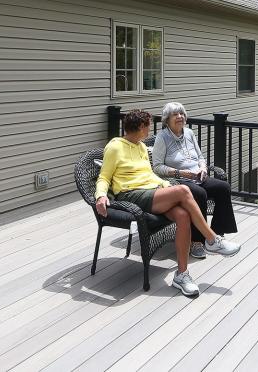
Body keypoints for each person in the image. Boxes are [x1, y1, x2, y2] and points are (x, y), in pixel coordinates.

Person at [95, 109, 241, 297]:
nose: (149, 131)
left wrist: (164, 185)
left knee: (182, 215)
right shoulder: (115, 147)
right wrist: (100, 196)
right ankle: (212, 240)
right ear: (140, 127)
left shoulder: (139, 146)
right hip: (131, 194)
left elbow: (148, 174)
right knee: (184, 190)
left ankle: (182, 275)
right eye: (147, 126)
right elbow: (104, 177)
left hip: (152, 191)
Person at [152, 102, 238, 260]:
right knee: (200, 194)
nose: (180, 117)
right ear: (167, 120)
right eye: (175, 114)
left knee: (223, 187)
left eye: (182, 114)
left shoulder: (189, 133)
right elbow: (156, 167)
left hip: (197, 176)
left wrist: (203, 169)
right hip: (177, 181)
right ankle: (196, 241)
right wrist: (179, 172)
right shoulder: (162, 138)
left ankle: (216, 234)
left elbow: (200, 157)